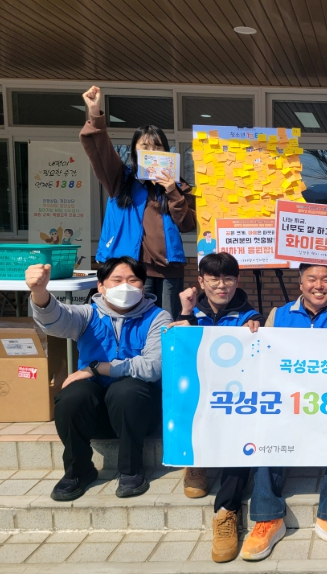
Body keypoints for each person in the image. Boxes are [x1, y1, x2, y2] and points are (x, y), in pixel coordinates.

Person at [241, 261, 327, 561]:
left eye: (326, 279)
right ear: (300, 283)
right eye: (312, 279)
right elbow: (264, 356)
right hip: (288, 400)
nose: (319, 285)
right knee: (264, 431)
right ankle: (268, 518)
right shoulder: (280, 314)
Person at [25, 257, 170, 501]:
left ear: (143, 286)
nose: (125, 286)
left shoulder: (158, 318)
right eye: (117, 280)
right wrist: (40, 292)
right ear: (100, 286)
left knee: (127, 391)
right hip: (95, 416)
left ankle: (131, 470)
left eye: (133, 280)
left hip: (138, 414)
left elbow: (153, 367)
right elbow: (55, 320)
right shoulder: (87, 315)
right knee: (71, 397)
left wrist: (97, 368)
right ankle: (78, 471)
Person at [165, 252, 262, 563]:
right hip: (199, 398)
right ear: (201, 281)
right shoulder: (189, 313)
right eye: (214, 279)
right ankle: (195, 462)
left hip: (235, 402)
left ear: (237, 280)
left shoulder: (252, 318)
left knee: (245, 438)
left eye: (229, 279)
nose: (222, 285)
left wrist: (258, 331)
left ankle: (226, 511)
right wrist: (185, 312)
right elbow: (179, 356)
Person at [80, 85, 196, 319]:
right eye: (145, 147)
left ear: (166, 151)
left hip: (168, 271)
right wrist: (95, 114)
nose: (152, 151)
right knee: (129, 323)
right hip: (128, 270)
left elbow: (187, 224)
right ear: (134, 151)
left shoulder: (179, 185)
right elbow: (101, 152)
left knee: (166, 324)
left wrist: (171, 190)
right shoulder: (120, 179)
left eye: (157, 146)